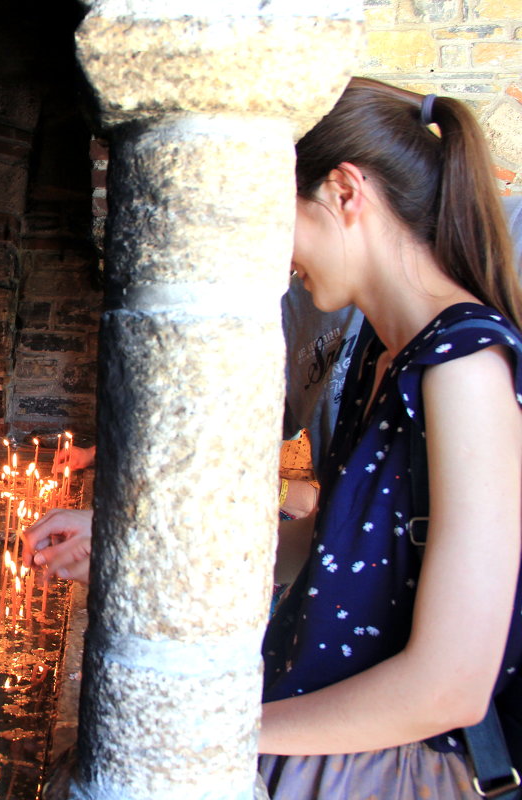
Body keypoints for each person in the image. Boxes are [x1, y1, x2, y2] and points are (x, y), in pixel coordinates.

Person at [27, 78, 522, 796]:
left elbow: (450, 688)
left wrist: (223, 735)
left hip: (390, 761)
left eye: (274, 214)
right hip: (316, 735)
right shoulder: (384, 359)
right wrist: (130, 546)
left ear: (344, 192)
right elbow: (326, 548)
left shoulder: (465, 368)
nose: (274, 251)